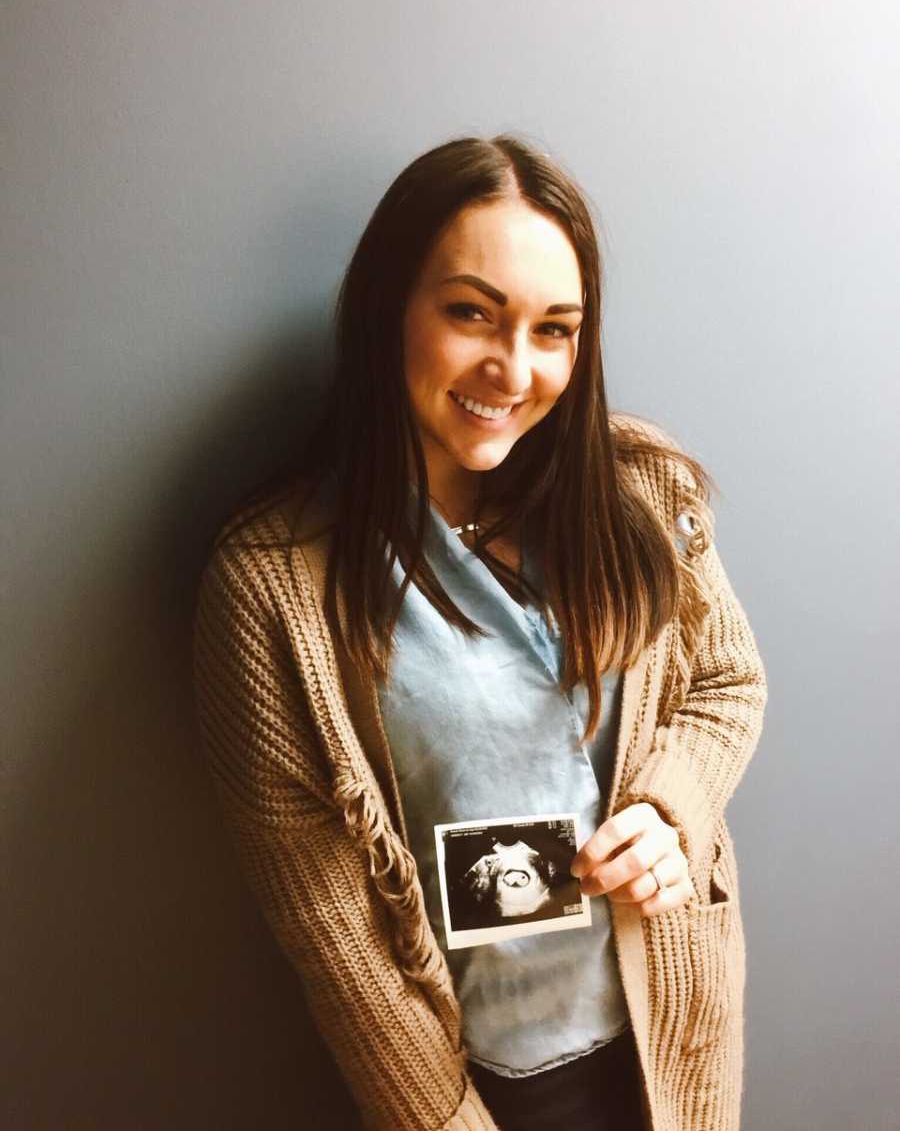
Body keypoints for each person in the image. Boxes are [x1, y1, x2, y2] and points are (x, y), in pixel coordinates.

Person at [191, 134, 768, 1131]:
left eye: (555, 330)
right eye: (472, 314)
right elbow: (336, 936)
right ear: (387, 308)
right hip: (475, 1088)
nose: (513, 368)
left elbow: (727, 683)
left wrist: (671, 809)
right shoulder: (273, 589)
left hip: (672, 1032)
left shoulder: (640, 489)